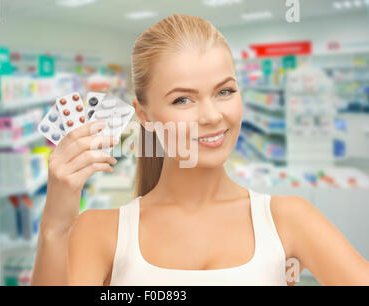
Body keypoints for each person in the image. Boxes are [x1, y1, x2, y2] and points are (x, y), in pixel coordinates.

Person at [31, 14, 369, 286]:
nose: (212, 116)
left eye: (224, 91)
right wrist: (55, 226)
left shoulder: (290, 220)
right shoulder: (100, 231)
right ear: (145, 115)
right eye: (183, 99)